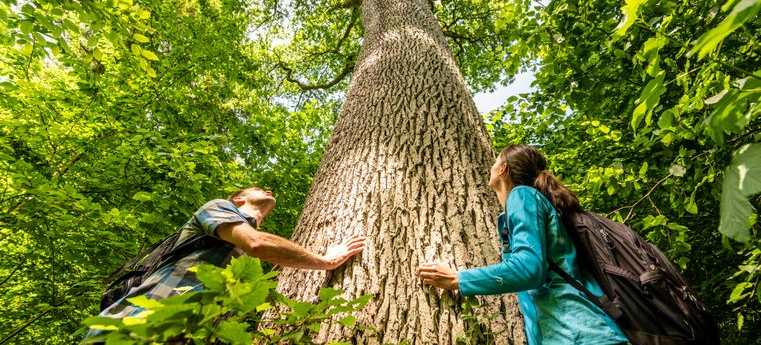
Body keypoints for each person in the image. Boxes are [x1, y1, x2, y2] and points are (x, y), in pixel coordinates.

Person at [85, 186, 365, 341]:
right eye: (257, 187)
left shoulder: (242, 261)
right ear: (238, 199)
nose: (266, 189)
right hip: (133, 326)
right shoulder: (218, 207)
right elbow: (256, 244)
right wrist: (326, 260)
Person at [417, 144, 629, 344]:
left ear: (502, 169)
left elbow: (528, 270)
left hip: (581, 333)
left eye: (495, 161)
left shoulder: (522, 195)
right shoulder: (529, 202)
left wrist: (457, 278)